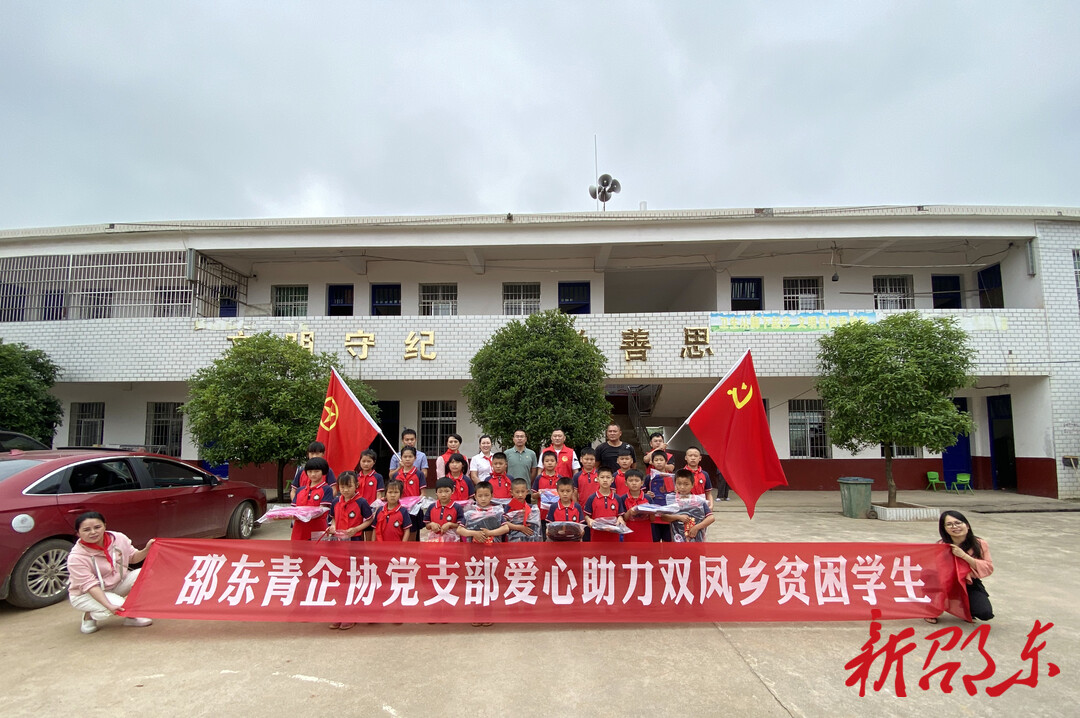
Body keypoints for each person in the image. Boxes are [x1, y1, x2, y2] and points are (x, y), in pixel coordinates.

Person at [67, 512, 154, 634]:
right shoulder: (76, 557)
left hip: (115, 585)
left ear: (105, 526)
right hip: (86, 593)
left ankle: (130, 617)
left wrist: (147, 549)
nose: (93, 532)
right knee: (114, 607)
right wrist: (108, 605)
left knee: (147, 573)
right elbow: (90, 586)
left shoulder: (119, 538)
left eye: (97, 527)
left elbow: (133, 558)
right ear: (78, 533)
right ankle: (89, 616)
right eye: (86, 530)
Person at [927, 510, 994, 623]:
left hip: (969, 582)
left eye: (958, 523)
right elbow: (935, 569)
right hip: (946, 582)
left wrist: (964, 556)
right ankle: (931, 609)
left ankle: (966, 608)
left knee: (985, 613)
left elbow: (988, 567)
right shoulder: (941, 545)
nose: (955, 527)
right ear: (944, 529)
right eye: (949, 524)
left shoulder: (980, 544)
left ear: (967, 525)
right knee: (929, 576)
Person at [327, 472, 373, 630]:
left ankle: (352, 613)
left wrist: (357, 529)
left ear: (356, 486)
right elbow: (333, 518)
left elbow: (369, 519)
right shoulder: (335, 501)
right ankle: (341, 612)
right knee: (340, 577)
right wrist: (333, 526)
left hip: (355, 542)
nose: (345, 490)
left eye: (349, 486)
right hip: (339, 543)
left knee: (353, 577)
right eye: (342, 487)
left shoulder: (361, 502)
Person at [660, 470, 715, 542]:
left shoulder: (699, 501)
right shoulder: (671, 500)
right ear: (675, 484)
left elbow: (711, 518)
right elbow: (663, 517)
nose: (682, 487)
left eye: (686, 484)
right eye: (679, 484)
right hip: (677, 539)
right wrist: (678, 517)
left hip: (697, 539)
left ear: (692, 484)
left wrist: (696, 527)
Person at [291, 457, 334, 541]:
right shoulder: (300, 490)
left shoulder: (327, 489)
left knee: (318, 549)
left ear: (323, 471)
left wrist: (302, 515)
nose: (313, 474)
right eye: (310, 471)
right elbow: (293, 509)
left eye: (316, 471)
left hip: (317, 529)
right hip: (299, 529)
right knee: (298, 549)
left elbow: (321, 510)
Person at [583, 467, 626, 543]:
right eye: (602, 477)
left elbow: (620, 515)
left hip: (613, 537)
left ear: (612, 480)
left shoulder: (617, 498)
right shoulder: (592, 498)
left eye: (608, 477)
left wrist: (620, 519)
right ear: (597, 479)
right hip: (596, 537)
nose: (605, 480)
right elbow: (586, 515)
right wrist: (589, 520)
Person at [645, 451, 675, 543]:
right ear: (652, 462)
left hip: (668, 516)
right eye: (656, 460)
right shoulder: (649, 477)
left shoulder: (671, 477)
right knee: (655, 542)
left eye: (661, 460)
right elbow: (643, 493)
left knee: (668, 542)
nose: (659, 462)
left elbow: (674, 493)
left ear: (666, 462)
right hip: (654, 517)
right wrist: (647, 494)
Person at [546, 477, 586, 541]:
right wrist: (548, 531)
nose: (565, 494)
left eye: (568, 491)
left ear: (573, 491)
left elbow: (581, 525)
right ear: (557, 491)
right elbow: (549, 526)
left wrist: (582, 531)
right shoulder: (553, 507)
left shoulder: (577, 507)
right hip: (557, 541)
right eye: (562, 491)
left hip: (574, 541)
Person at [620, 470, 654, 543]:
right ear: (626, 483)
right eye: (631, 481)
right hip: (629, 533)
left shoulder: (648, 498)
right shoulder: (623, 499)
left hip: (645, 533)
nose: (634, 483)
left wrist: (650, 512)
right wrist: (630, 512)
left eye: (637, 480)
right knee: (629, 550)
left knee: (646, 550)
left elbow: (652, 519)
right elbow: (624, 519)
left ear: (642, 483)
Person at [505, 478, 540, 542]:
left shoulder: (532, 508)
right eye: (517, 492)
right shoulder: (508, 507)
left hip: (529, 538)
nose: (520, 495)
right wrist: (519, 528)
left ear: (527, 492)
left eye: (523, 491)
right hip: (512, 538)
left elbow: (536, 525)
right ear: (511, 493)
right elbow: (504, 523)